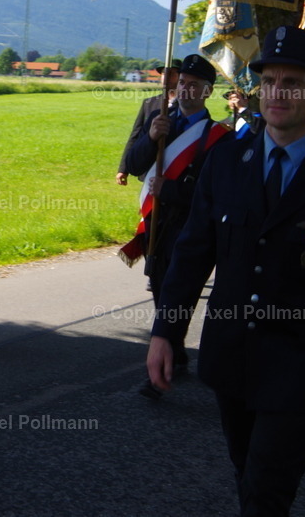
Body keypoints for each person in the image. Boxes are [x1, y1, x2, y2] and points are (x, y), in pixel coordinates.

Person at [146, 25, 305, 516]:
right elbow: (192, 255)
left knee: (265, 491)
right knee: (247, 473)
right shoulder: (226, 162)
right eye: (269, 80)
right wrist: (164, 332)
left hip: (302, 370)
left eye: (291, 82)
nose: (277, 93)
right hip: (231, 358)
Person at [122, 54, 232, 399]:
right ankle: (176, 348)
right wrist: (151, 137)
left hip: (191, 225)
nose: (185, 89)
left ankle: (162, 363)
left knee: (176, 287)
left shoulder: (219, 137)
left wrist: (170, 189)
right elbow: (136, 162)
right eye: (182, 82)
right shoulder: (161, 120)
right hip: (158, 222)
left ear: (208, 91)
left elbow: (213, 190)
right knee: (158, 283)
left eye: (194, 85)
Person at [116, 59, 180, 185]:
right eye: (163, 74)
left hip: (172, 171)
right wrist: (124, 169)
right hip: (147, 167)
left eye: (171, 74)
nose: (166, 77)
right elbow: (135, 135)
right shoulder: (149, 103)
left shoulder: (186, 107)